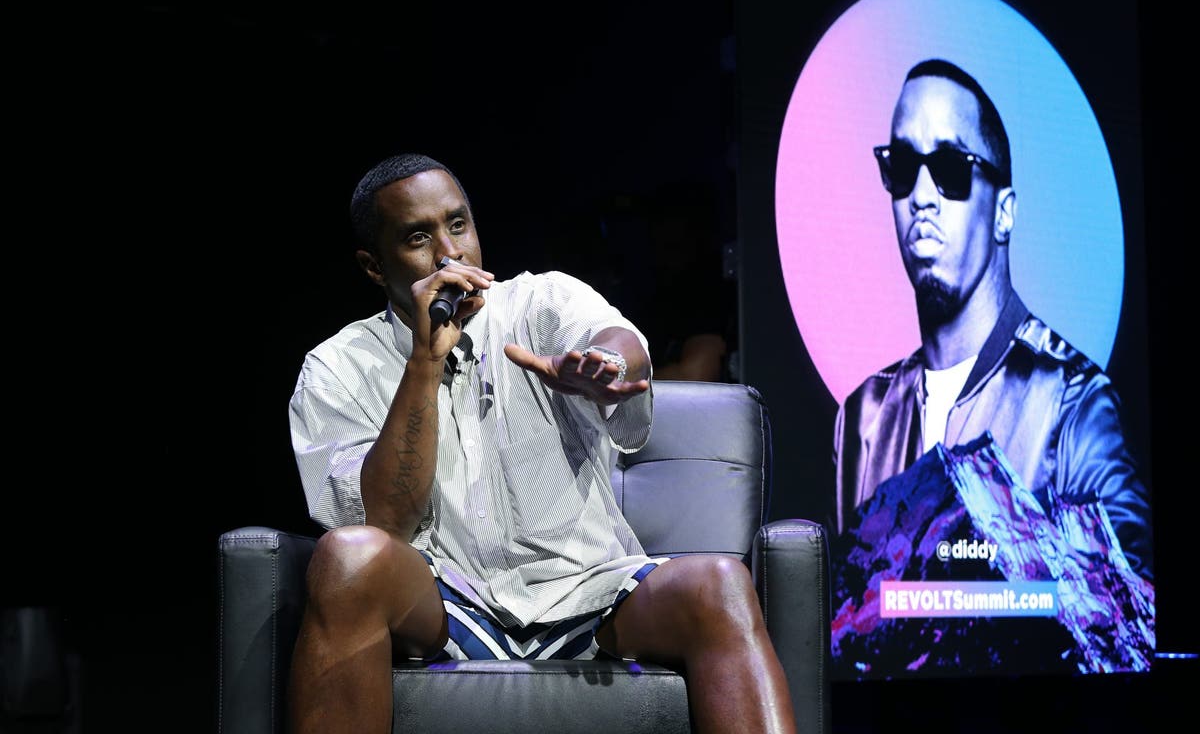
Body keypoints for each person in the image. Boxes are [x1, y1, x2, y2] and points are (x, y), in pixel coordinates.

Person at [286, 153, 796, 733]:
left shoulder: (541, 300)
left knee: (719, 585)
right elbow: (384, 523)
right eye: (418, 238)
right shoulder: (337, 369)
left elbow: (619, 342)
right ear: (375, 267)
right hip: (445, 601)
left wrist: (604, 366)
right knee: (346, 557)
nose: (450, 254)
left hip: (589, 593)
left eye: (458, 225)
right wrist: (424, 362)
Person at [833, 58, 1153, 581]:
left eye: (950, 168)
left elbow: (1125, 608)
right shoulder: (861, 420)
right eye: (903, 166)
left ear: (1004, 213)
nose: (921, 196)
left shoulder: (1074, 406)